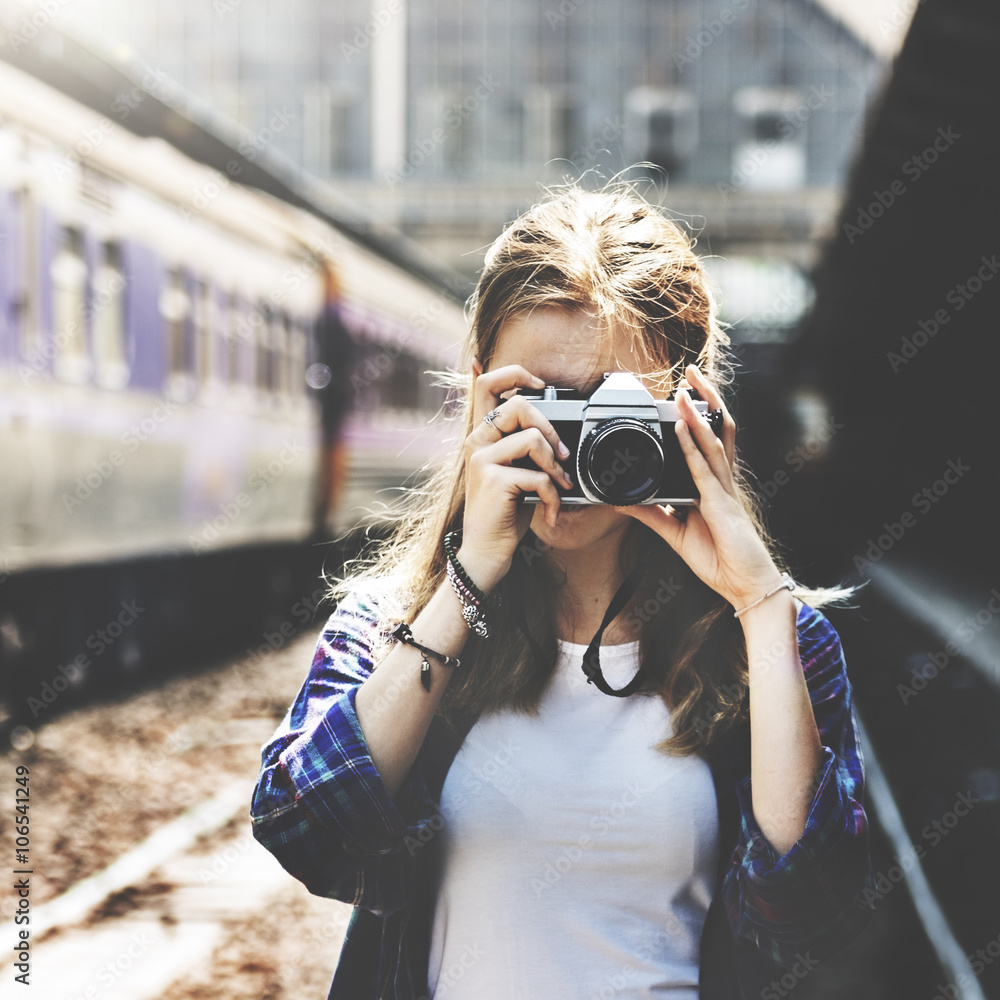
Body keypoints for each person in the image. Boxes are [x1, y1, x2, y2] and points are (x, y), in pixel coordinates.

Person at [251, 182, 875, 999]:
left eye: (610, 409)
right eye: (537, 402)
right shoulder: (392, 626)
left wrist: (759, 604)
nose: (567, 449)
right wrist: (468, 581)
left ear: (691, 410)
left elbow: (812, 913)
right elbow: (306, 833)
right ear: (478, 394)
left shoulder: (775, 646)